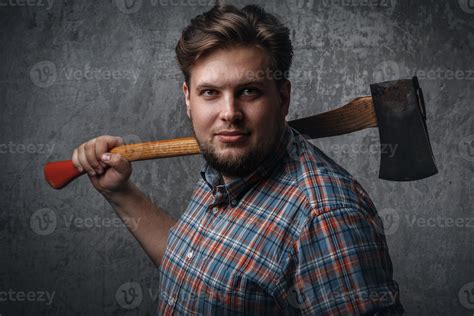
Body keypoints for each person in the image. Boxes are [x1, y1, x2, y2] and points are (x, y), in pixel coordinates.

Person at [72, 3, 404, 315]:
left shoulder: (325, 217)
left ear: (283, 97)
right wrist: (120, 193)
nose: (229, 114)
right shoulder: (227, 164)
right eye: (210, 93)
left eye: (249, 91)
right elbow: (197, 270)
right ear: (188, 99)